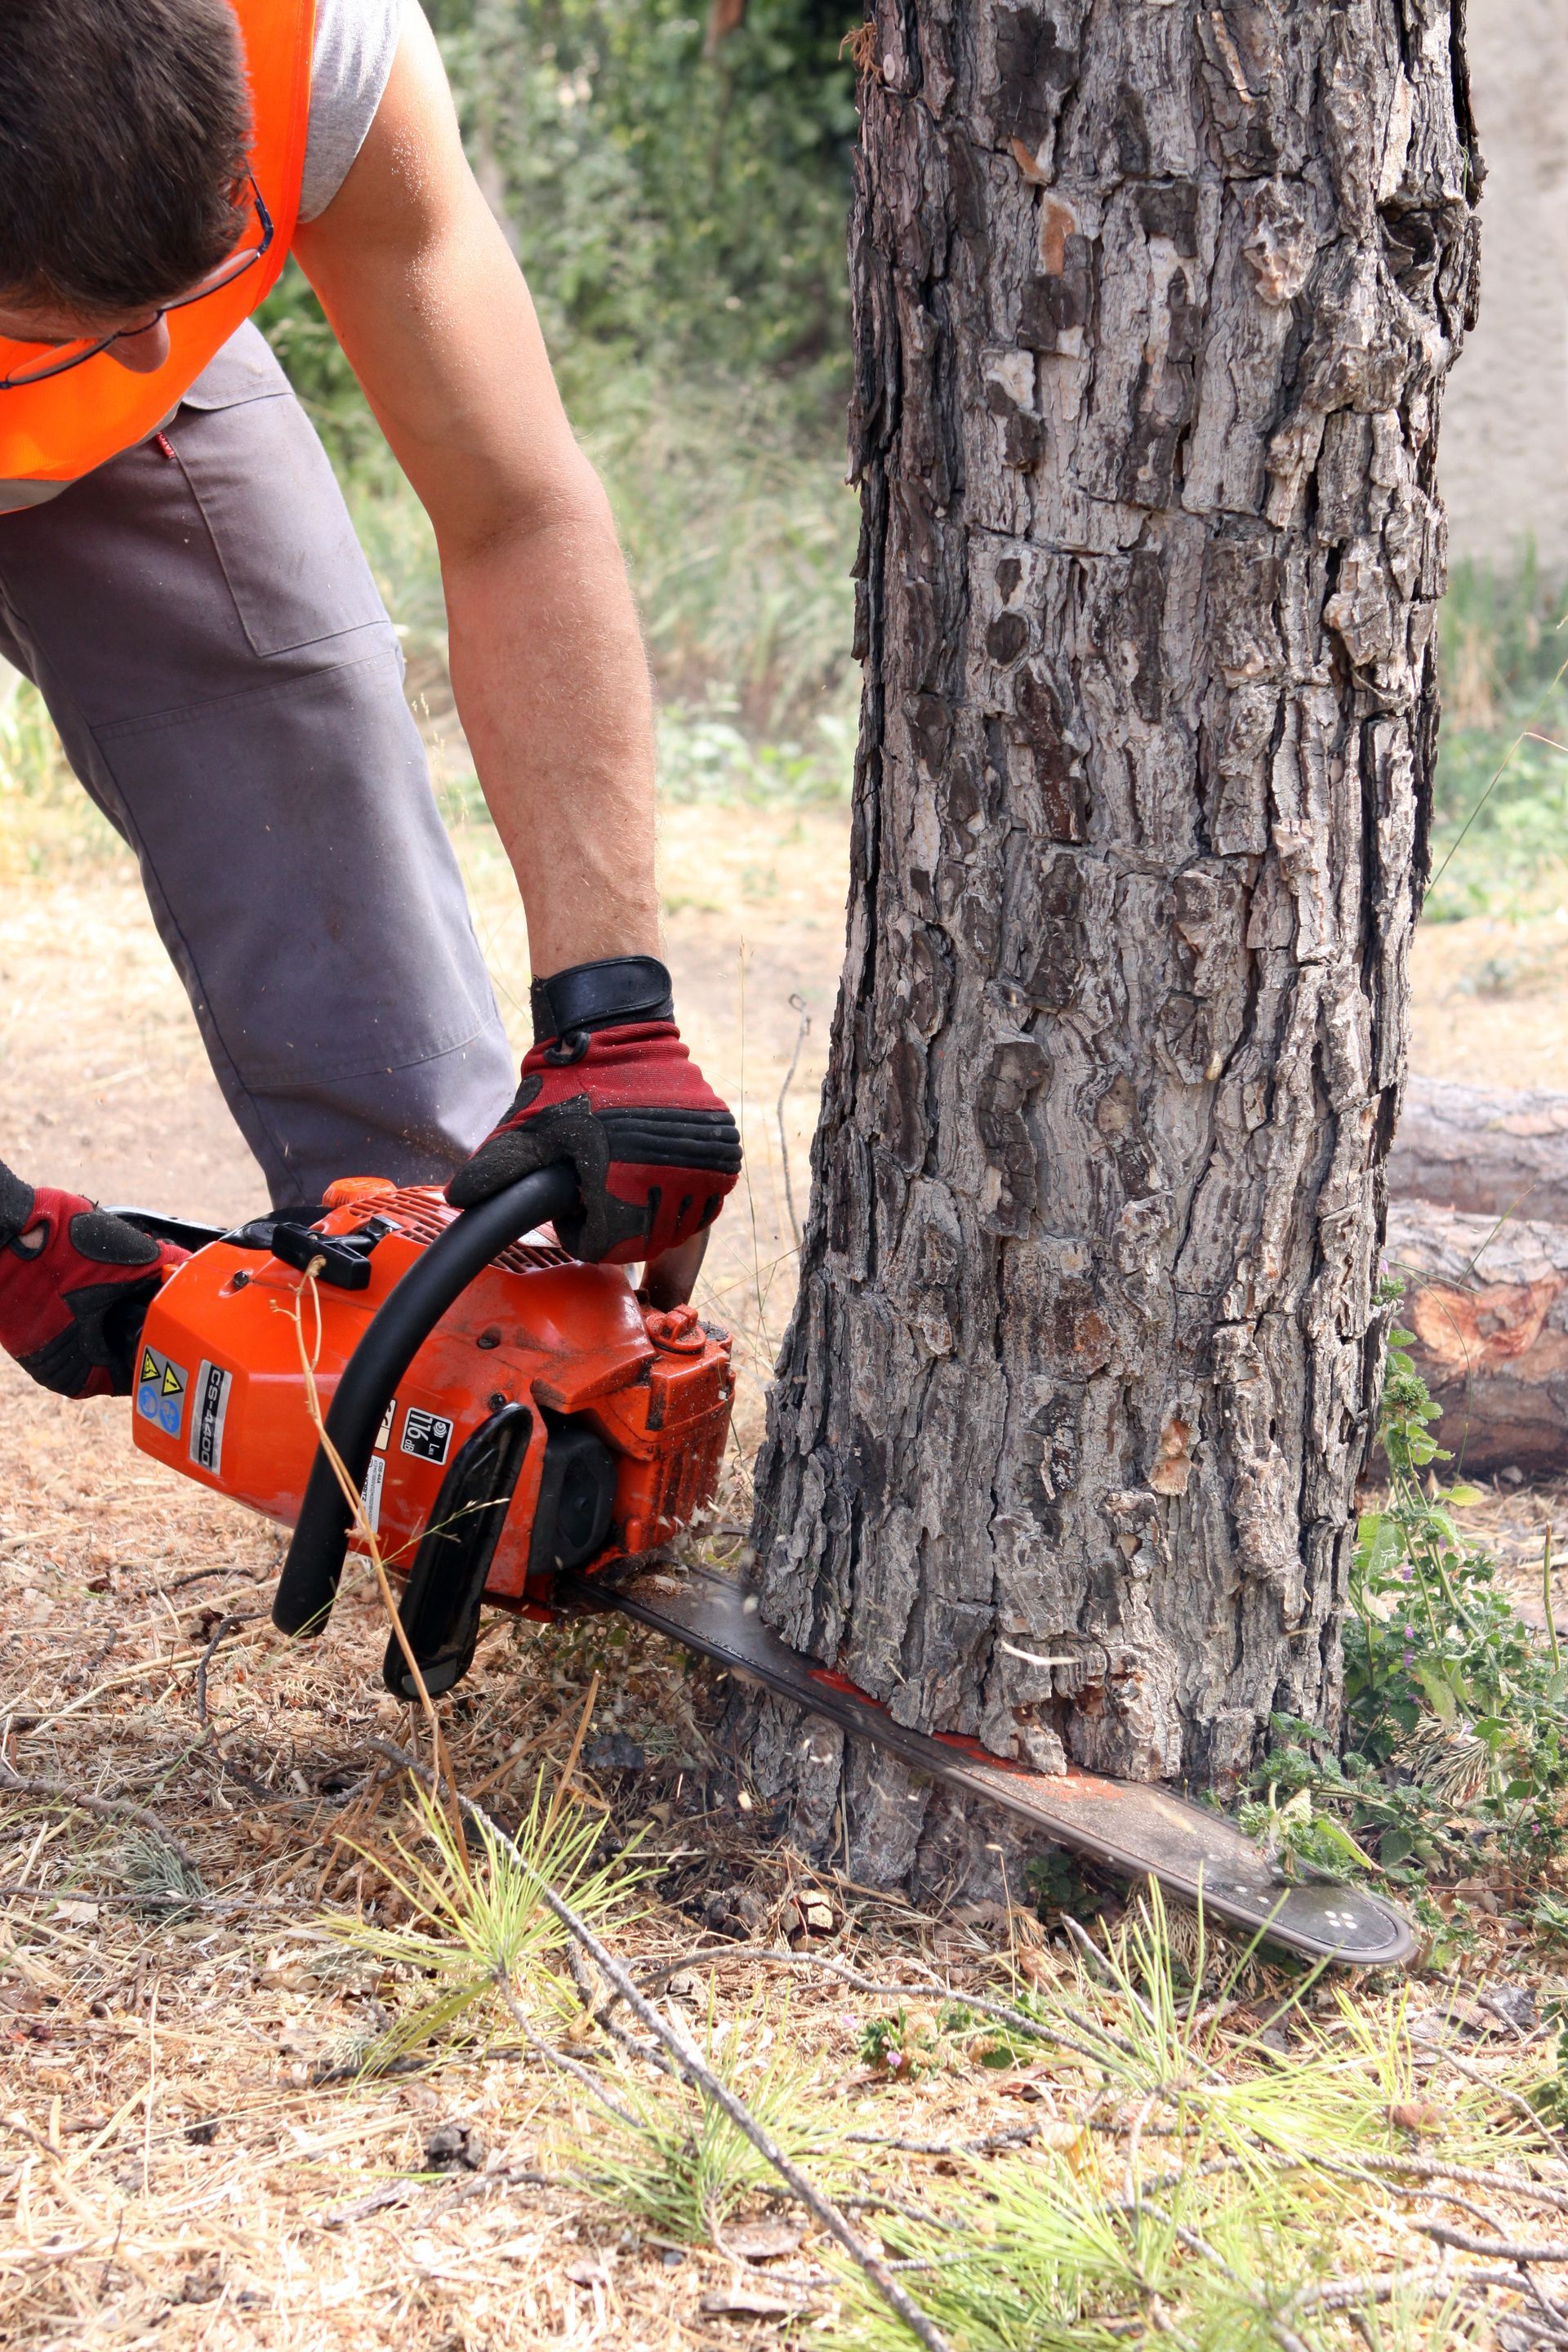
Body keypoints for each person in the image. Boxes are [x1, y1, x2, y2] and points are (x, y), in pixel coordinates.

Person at [0, 0, 741, 1403]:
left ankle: (458, 1369)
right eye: (64, 325)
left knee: (299, 718)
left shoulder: (316, 39)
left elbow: (515, 507)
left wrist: (614, 1009)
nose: (157, 360)